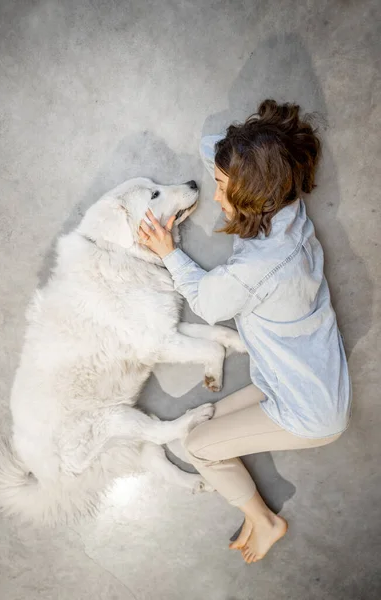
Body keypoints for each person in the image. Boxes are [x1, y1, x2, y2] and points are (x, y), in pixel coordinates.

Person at [138, 99, 351, 564]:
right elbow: (214, 148)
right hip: (297, 380)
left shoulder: (256, 269)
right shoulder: (284, 201)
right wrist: (236, 158)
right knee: (206, 419)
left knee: (197, 446)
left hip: (308, 413)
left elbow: (207, 303)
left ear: (253, 190)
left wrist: (169, 251)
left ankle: (266, 520)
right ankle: (260, 511)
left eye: (220, 187)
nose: (215, 197)